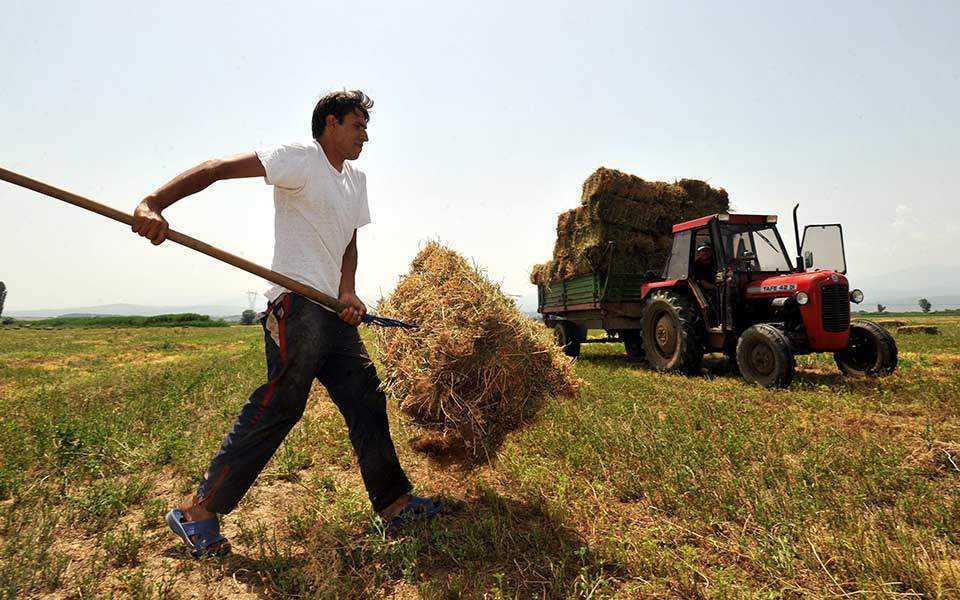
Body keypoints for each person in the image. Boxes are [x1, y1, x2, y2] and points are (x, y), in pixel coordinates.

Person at [132, 90, 441, 558]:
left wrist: (348, 290)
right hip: (295, 305)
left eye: (366, 127)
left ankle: (395, 503)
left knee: (366, 397)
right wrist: (154, 202)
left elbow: (349, 242)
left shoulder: (356, 180)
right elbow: (216, 169)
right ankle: (198, 513)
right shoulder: (300, 159)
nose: (365, 135)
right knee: (283, 403)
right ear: (331, 123)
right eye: (357, 125)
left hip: (333, 312)